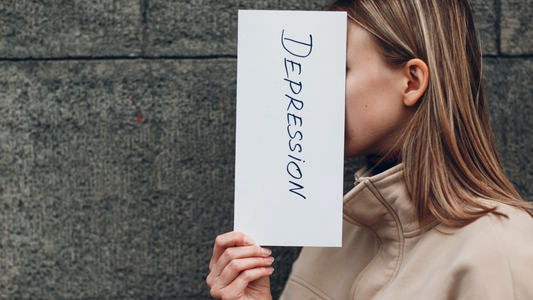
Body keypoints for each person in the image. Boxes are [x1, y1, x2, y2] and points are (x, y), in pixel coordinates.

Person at [206, 0, 533, 299]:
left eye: (337, 69)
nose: (313, 93)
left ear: (412, 82)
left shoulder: (501, 249)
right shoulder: (340, 230)